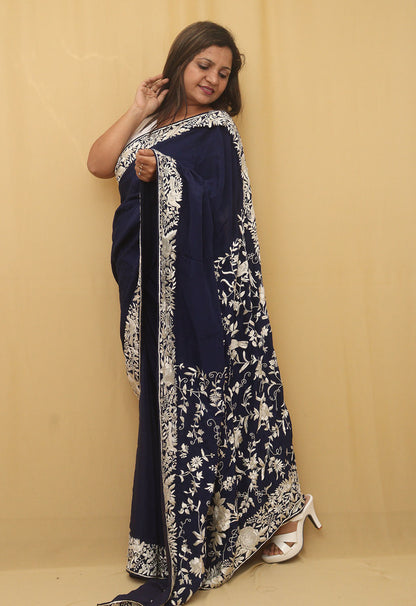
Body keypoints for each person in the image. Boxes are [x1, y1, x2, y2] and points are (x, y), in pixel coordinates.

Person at [87, 20, 321, 606]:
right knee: (169, 412)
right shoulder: (151, 123)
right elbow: (98, 164)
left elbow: (221, 210)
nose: (213, 79)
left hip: (196, 295)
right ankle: (194, 534)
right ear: (180, 61)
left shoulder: (217, 133)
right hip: (147, 290)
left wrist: (165, 175)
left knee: (212, 407)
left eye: (224, 72)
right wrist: (138, 108)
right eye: (204, 65)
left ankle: (276, 509)